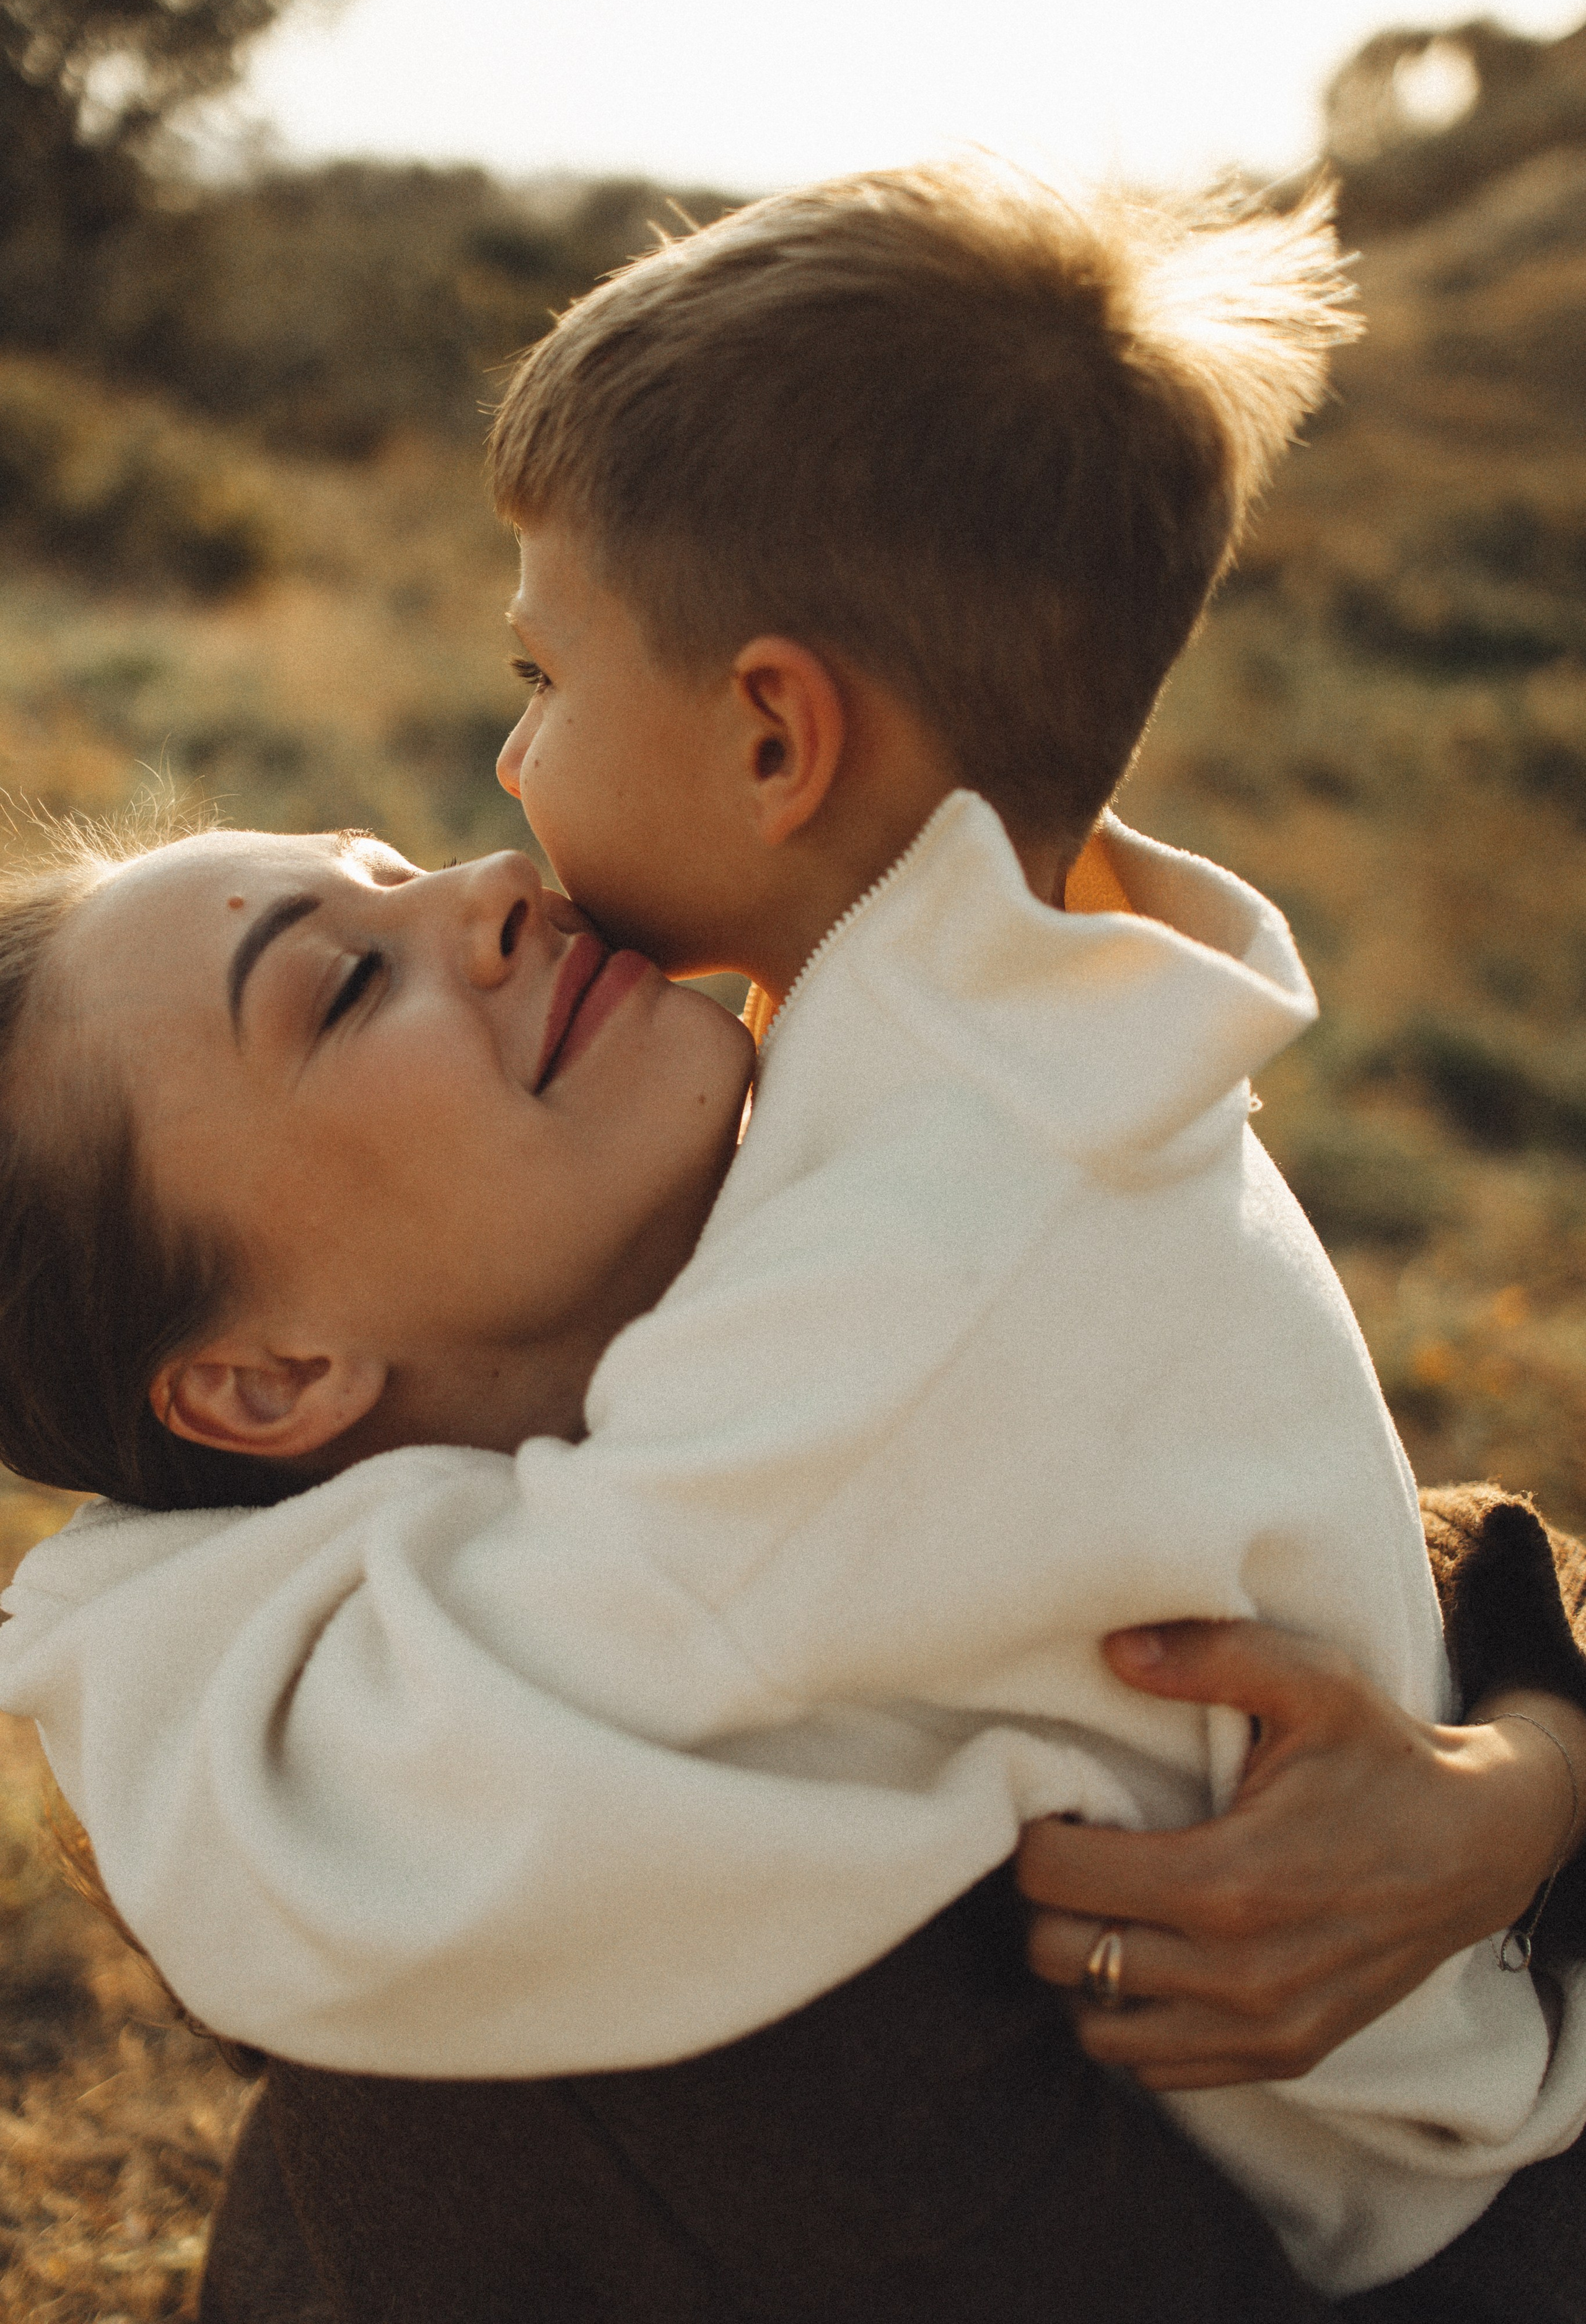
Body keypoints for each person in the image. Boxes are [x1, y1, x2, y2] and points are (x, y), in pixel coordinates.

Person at [0, 164, 1584, 2316]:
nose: (487, 855)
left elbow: (312, 1825)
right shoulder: (1003, 1079)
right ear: (264, 1378)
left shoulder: (903, 1283)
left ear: (776, 732)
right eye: (346, 981)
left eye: (535, 677)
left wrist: (1529, 1776)